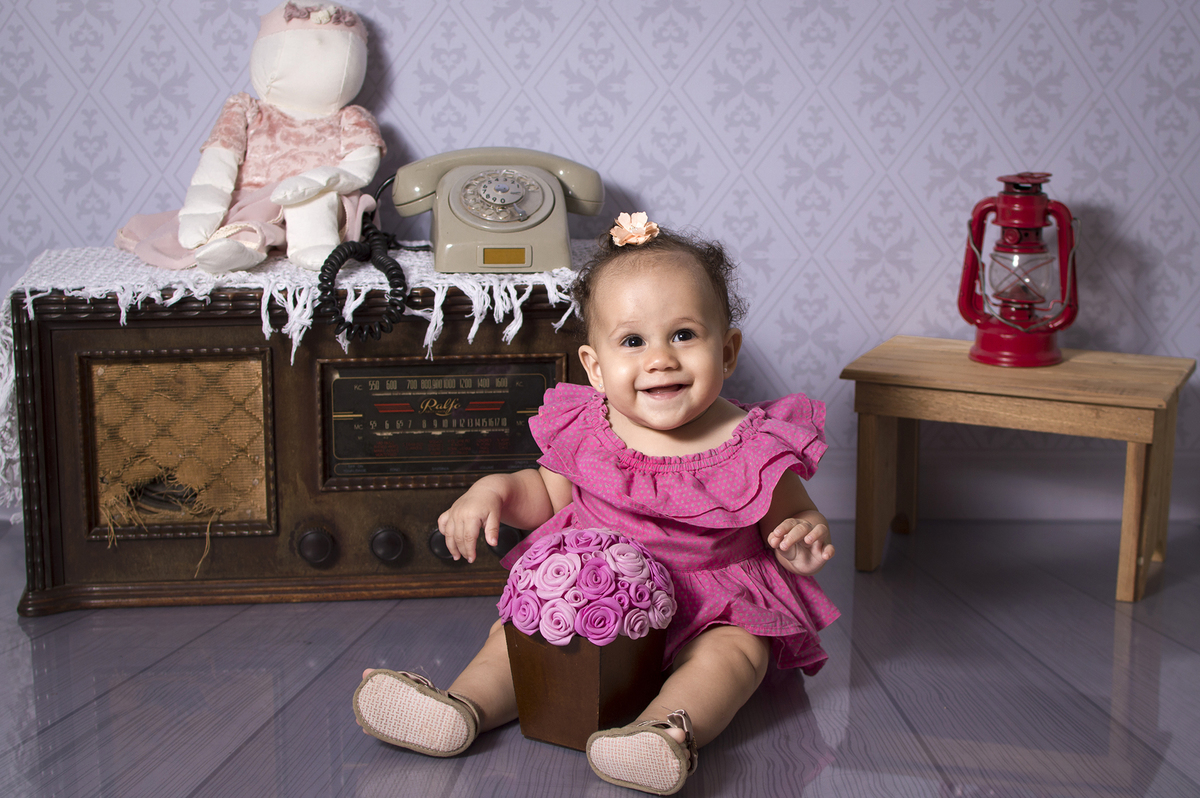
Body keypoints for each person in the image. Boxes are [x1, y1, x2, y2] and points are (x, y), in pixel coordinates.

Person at [351, 212, 839, 795]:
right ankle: (461, 705)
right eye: (633, 341)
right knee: (519, 637)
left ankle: (663, 732)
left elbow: (793, 514)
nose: (660, 358)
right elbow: (544, 493)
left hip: (713, 608)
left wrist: (802, 538)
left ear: (727, 351)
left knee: (736, 656)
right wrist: (493, 491)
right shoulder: (592, 430)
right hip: (589, 597)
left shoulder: (750, 444)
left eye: (683, 335)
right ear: (595, 367)